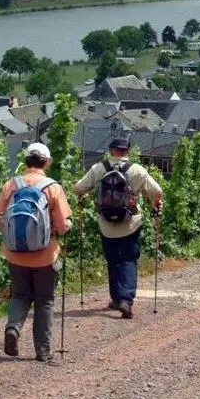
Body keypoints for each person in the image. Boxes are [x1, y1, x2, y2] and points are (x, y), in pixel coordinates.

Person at [0, 142, 72, 363]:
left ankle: (13, 328)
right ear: (47, 162)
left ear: (26, 160)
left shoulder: (12, 184)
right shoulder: (52, 187)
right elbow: (62, 226)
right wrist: (67, 226)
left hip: (15, 254)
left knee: (20, 295)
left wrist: (14, 236)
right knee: (45, 300)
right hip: (45, 256)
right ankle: (43, 350)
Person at [73, 137, 163, 319]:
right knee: (128, 259)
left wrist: (88, 193)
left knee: (112, 259)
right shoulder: (137, 170)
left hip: (106, 223)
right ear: (127, 151)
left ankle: (115, 298)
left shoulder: (98, 168)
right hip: (130, 223)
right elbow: (157, 191)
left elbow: (78, 188)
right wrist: (155, 206)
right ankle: (126, 300)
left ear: (110, 150)